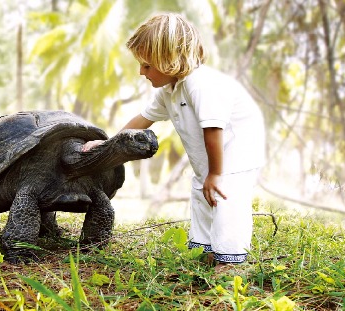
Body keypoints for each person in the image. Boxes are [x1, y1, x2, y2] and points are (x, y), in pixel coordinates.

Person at [82, 13, 265, 273]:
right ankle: (207, 251)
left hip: (236, 154)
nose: (141, 72)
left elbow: (214, 129)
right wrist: (106, 145)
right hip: (211, 159)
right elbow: (142, 119)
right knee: (202, 195)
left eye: (147, 66)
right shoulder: (169, 91)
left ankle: (230, 261)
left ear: (169, 60)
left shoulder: (201, 84)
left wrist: (215, 173)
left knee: (226, 200)